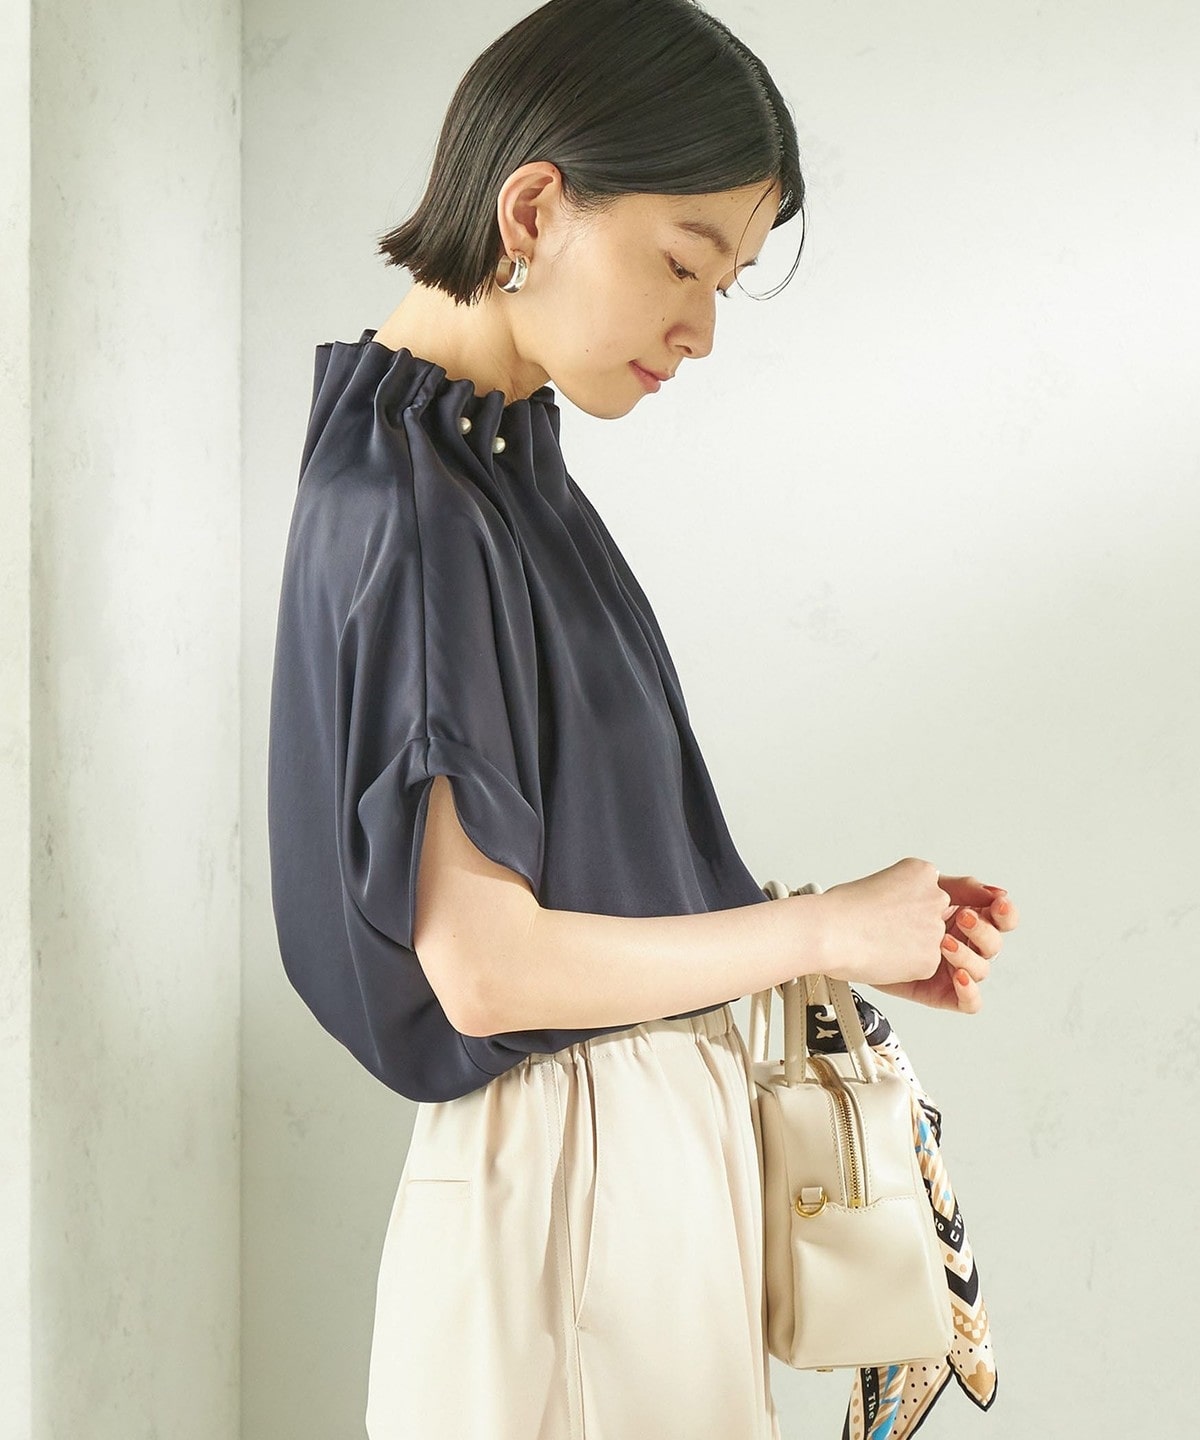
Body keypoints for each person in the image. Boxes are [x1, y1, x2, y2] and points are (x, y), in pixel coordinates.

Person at [265, 1, 1019, 1437]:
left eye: (727, 281)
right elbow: (488, 972)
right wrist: (823, 930)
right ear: (533, 209)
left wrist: (840, 933)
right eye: (684, 262)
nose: (704, 329)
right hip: (580, 1202)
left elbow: (562, 900)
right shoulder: (420, 507)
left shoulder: (492, 478)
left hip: (613, 1194)